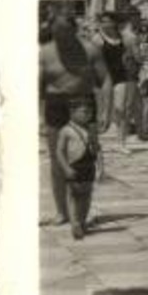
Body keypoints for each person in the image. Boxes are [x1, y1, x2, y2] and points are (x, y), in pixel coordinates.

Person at [40, 13, 106, 226]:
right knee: (57, 161)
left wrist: (105, 112)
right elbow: (37, 87)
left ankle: (80, 212)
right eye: (57, 31)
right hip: (56, 104)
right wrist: (40, 116)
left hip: (83, 102)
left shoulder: (90, 50)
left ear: (74, 30)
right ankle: (62, 212)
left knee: (85, 159)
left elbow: (105, 80)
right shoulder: (46, 52)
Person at [56, 97, 100, 239]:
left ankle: (82, 221)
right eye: (84, 112)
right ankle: (75, 223)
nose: (87, 115)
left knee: (87, 195)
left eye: (90, 112)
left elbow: (98, 149)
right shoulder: (66, 131)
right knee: (74, 196)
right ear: (72, 112)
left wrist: (101, 168)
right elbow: (60, 151)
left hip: (89, 165)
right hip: (75, 165)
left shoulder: (92, 129)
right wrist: (65, 168)